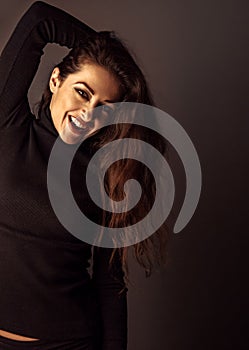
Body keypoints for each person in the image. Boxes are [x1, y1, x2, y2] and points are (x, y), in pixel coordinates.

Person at [0, 1, 168, 349]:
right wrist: (105, 51)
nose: (89, 113)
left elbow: (110, 284)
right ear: (55, 79)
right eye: (82, 92)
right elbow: (39, 20)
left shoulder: (106, 174)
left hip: (69, 341)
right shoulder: (8, 125)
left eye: (104, 108)